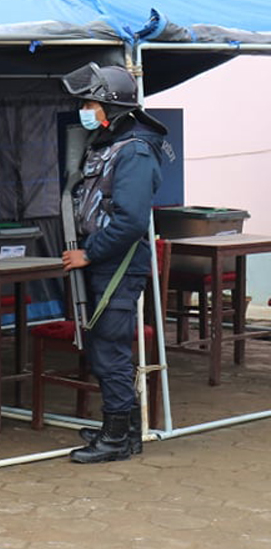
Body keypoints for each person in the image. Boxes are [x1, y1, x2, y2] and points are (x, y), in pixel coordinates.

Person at [60, 62, 168, 463]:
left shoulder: (135, 151)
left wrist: (89, 252)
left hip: (116, 264)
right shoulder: (111, 144)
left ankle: (116, 439)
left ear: (110, 106)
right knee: (106, 346)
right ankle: (124, 431)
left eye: (91, 103)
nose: (86, 110)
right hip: (106, 261)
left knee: (110, 349)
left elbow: (131, 220)